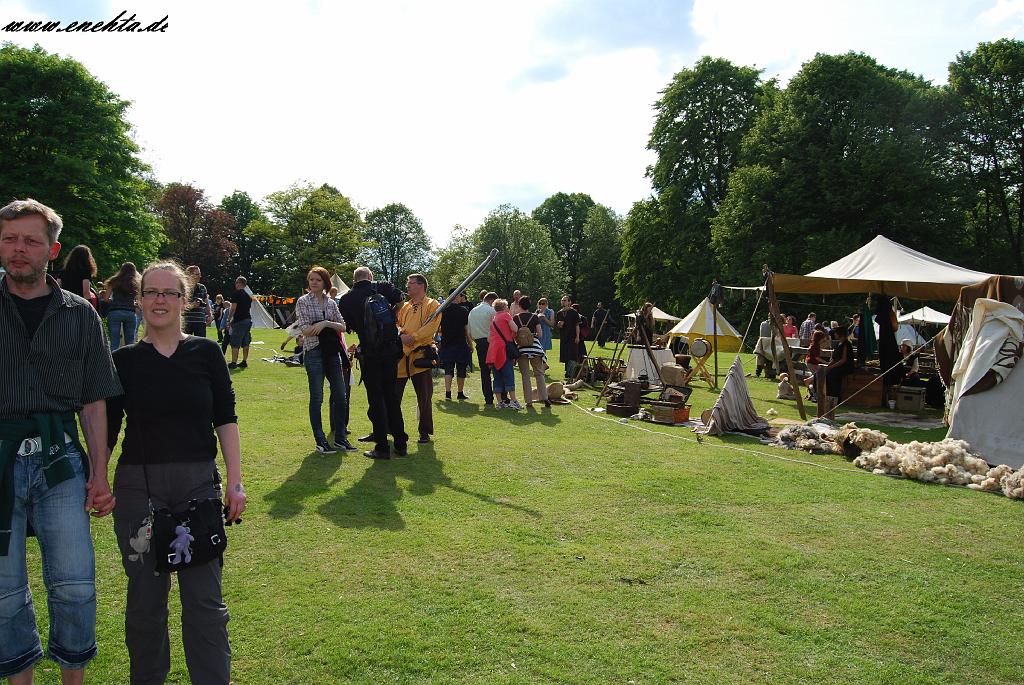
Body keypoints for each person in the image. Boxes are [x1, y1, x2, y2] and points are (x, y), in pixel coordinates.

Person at [106, 260, 245, 685]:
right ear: (140, 299)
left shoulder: (205, 352)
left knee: (204, 601)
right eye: (151, 292)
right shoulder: (123, 360)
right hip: (137, 487)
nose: (159, 300)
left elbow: (225, 416)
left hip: (198, 484)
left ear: (184, 301)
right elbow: (108, 429)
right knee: (146, 602)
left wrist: (235, 482)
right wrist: (95, 475)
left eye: (169, 293)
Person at [0, 199, 120, 685]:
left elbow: (94, 402)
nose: (18, 249)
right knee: (3, 589)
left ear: (53, 249)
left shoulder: (80, 314)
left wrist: (98, 473)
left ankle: (73, 679)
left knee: (74, 582)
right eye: (9, 239)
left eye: (30, 240)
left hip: (60, 460)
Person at [338, 267, 407, 459]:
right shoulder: (383, 288)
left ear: (354, 280)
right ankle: (400, 443)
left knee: (375, 398)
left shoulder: (346, 300)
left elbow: (348, 327)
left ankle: (382, 447)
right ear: (370, 277)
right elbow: (401, 301)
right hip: (391, 350)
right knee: (391, 396)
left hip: (370, 353)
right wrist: (392, 315)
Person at [295, 266, 354, 453]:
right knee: (317, 397)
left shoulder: (331, 303)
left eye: (317, 280)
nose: (313, 283)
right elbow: (303, 329)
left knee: (340, 396)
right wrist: (323, 327)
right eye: (311, 279)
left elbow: (343, 326)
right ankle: (320, 440)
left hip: (332, 352)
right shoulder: (303, 301)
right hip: (313, 351)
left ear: (325, 283)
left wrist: (325, 324)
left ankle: (340, 438)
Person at [396, 273, 441, 444]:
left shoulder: (433, 305)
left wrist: (414, 337)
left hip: (421, 355)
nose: (408, 286)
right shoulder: (405, 306)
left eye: (411, 283)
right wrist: (401, 334)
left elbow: (432, 327)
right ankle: (391, 427)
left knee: (424, 397)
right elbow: (398, 323)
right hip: (401, 354)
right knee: (394, 395)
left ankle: (424, 432)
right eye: (408, 283)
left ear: (421, 285)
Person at [512, 296, 549, 407]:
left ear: (519, 305)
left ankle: (529, 401)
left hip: (522, 349)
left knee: (525, 375)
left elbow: (514, 334)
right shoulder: (534, 317)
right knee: (539, 373)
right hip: (535, 348)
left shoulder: (515, 318)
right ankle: (544, 397)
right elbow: (540, 334)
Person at [486, 299, 522, 409]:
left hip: (493, 351)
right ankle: (514, 401)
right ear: (504, 307)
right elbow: (515, 328)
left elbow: (489, 338)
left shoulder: (494, 318)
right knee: (508, 374)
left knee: (497, 376)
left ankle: (500, 402)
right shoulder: (506, 315)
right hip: (504, 349)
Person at [439, 291, 472, 401]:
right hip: (460, 343)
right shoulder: (463, 311)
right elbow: (466, 330)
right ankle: (460, 393)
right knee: (461, 369)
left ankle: (448, 393)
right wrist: (470, 344)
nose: (461, 297)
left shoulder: (443, 310)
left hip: (446, 343)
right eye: (461, 295)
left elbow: (438, 328)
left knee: (448, 369)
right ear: (456, 296)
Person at [468, 291, 498, 407]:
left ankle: (488, 398)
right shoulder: (491, 311)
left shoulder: (472, 311)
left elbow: (469, 331)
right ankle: (502, 396)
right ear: (491, 301)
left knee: (484, 372)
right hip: (492, 342)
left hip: (479, 343)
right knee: (497, 370)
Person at [104, 261, 141, 350]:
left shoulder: (114, 281)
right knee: (130, 342)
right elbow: (139, 300)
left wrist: (114, 301)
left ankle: (113, 361)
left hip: (115, 312)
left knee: (114, 341)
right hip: (130, 312)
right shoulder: (136, 283)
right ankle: (129, 362)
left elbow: (106, 298)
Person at [59, 244, 98, 308]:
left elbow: (59, 288)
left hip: (66, 304)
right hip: (80, 305)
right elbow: (86, 292)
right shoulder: (85, 272)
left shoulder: (63, 271)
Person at [226, 277, 252, 369]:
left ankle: (233, 362)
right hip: (248, 319)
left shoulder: (236, 293)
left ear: (238, 283)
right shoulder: (248, 296)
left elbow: (233, 308)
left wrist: (228, 319)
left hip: (239, 320)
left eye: (236, 283)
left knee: (235, 341)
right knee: (246, 341)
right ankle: (244, 361)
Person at [823, 325, 855, 400]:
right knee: (826, 373)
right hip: (838, 365)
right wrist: (828, 366)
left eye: (836, 333)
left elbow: (843, 360)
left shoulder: (846, 344)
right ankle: (828, 395)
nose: (835, 334)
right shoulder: (838, 344)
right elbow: (834, 359)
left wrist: (831, 367)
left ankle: (836, 397)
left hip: (846, 366)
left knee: (832, 374)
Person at [182, 265, 213, 338]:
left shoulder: (202, 287)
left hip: (200, 321)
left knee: (201, 345)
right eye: (197, 274)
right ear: (189, 275)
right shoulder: (182, 288)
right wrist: (192, 305)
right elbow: (179, 305)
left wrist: (210, 315)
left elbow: (207, 303)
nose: (200, 276)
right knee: (184, 344)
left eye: (199, 274)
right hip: (187, 321)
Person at [555, 295, 581, 379]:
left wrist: (577, 336)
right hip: (564, 337)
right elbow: (557, 325)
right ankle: (567, 372)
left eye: (565, 300)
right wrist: (559, 324)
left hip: (572, 336)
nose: (563, 302)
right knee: (565, 355)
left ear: (569, 302)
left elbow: (577, 325)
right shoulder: (559, 313)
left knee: (572, 355)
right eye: (562, 300)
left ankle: (571, 373)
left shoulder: (574, 312)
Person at [803, 328, 828, 401]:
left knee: (818, 375)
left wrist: (821, 350)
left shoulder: (814, 344)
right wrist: (826, 362)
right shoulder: (815, 346)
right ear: (819, 338)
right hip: (812, 363)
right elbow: (817, 357)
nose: (823, 340)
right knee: (818, 375)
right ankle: (808, 381)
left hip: (811, 362)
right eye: (822, 338)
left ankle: (809, 384)